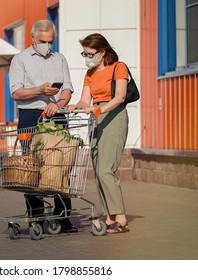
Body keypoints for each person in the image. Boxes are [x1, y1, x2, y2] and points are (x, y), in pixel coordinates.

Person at [9, 19, 77, 233]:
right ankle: (36, 217)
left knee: (61, 165)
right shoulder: (20, 60)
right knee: (32, 166)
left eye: (51, 41)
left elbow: (67, 88)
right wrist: (39, 90)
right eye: (43, 41)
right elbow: (16, 92)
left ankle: (63, 217)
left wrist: (58, 103)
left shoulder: (60, 59)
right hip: (30, 115)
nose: (47, 45)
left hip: (56, 115)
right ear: (33, 38)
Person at [68, 33, 130, 234]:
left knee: (106, 169)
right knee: (98, 169)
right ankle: (109, 216)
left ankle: (120, 217)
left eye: (90, 53)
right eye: (84, 54)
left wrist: (100, 109)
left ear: (102, 52)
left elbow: (120, 97)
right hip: (96, 118)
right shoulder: (91, 73)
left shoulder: (118, 67)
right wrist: (76, 106)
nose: (87, 57)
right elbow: (85, 100)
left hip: (113, 116)